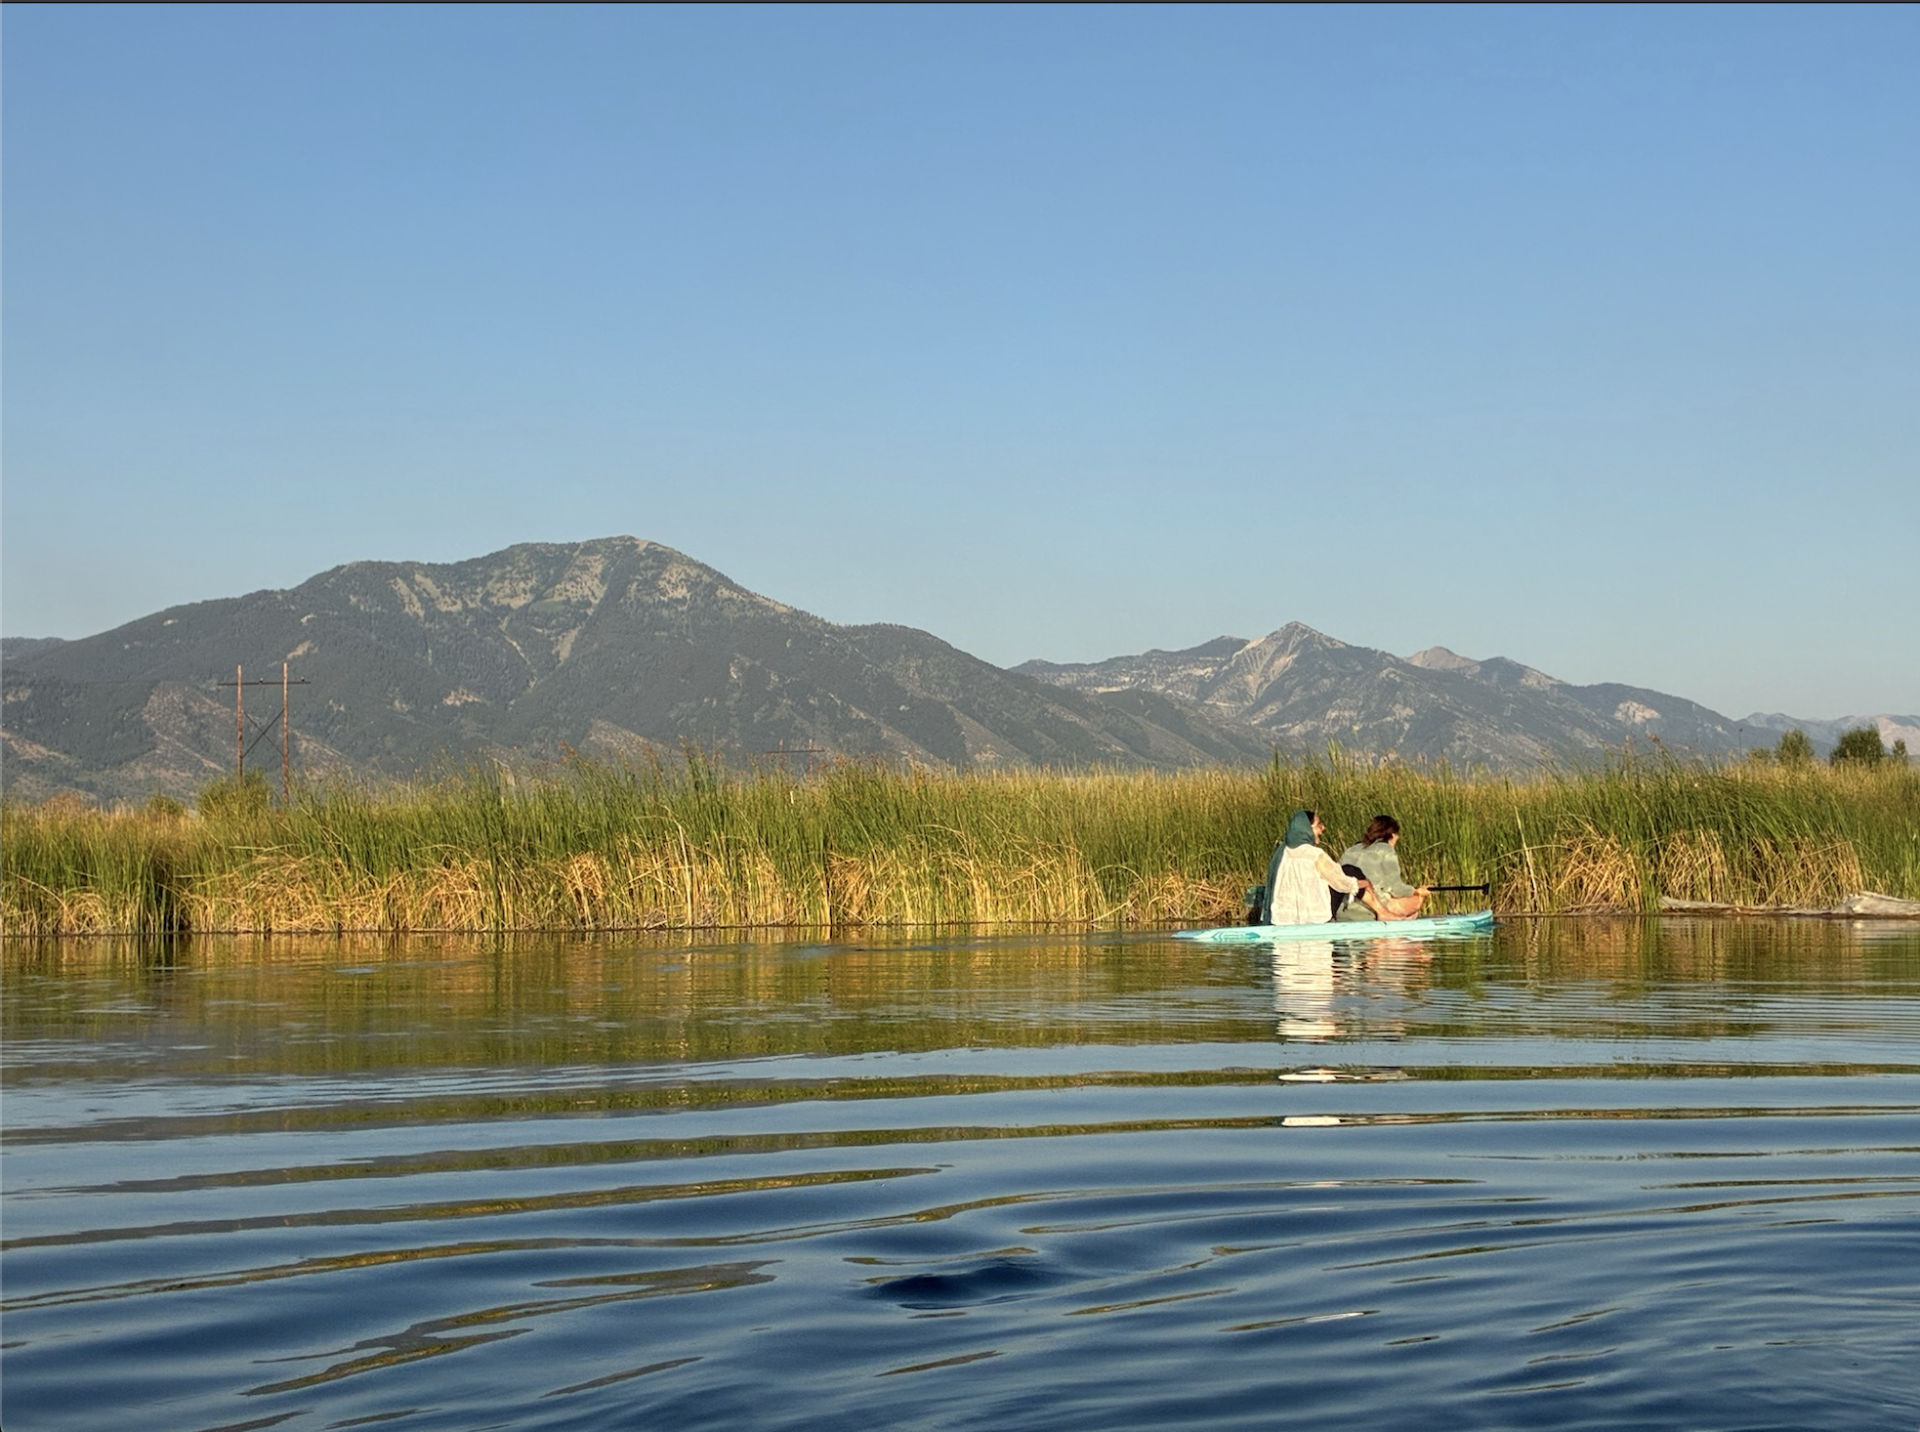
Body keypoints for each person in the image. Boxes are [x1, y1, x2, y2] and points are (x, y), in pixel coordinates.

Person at [1263, 810, 1375, 925]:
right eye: (1319, 824)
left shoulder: (1281, 854)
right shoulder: (1315, 855)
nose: (1323, 828)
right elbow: (1341, 882)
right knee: (1350, 870)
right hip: (1315, 918)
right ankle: (1382, 913)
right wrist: (1365, 883)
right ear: (1307, 829)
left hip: (1281, 918)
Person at [1336, 815, 1431, 921]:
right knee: (1417, 899)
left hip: (1342, 909)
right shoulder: (1386, 850)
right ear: (1393, 835)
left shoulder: (1351, 849)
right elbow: (1397, 889)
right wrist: (1417, 891)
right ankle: (1401, 922)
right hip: (1372, 909)